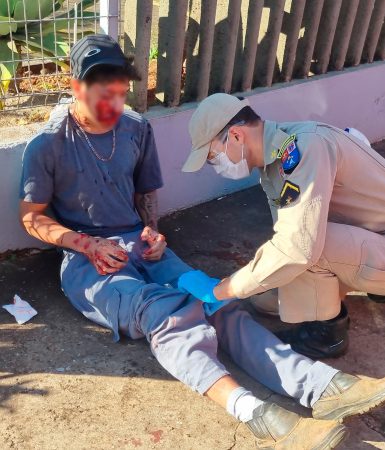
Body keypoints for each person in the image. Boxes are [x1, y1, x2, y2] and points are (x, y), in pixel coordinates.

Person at [19, 35, 385, 450]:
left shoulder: (136, 128)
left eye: (118, 89)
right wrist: (86, 245)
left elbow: (145, 196)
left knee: (215, 301)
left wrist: (152, 230)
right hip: (87, 260)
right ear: (75, 86)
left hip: (140, 245)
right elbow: (32, 217)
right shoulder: (48, 144)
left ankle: (323, 387)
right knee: (164, 311)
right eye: (99, 89)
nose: (110, 102)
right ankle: (256, 413)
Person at [180, 92, 385, 359]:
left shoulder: (307, 146)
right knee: (264, 301)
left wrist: (222, 289)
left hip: (375, 241)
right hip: (369, 238)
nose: (215, 166)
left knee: (301, 245)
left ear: (236, 136)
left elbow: (297, 247)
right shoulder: (273, 163)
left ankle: (327, 336)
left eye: (212, 157)